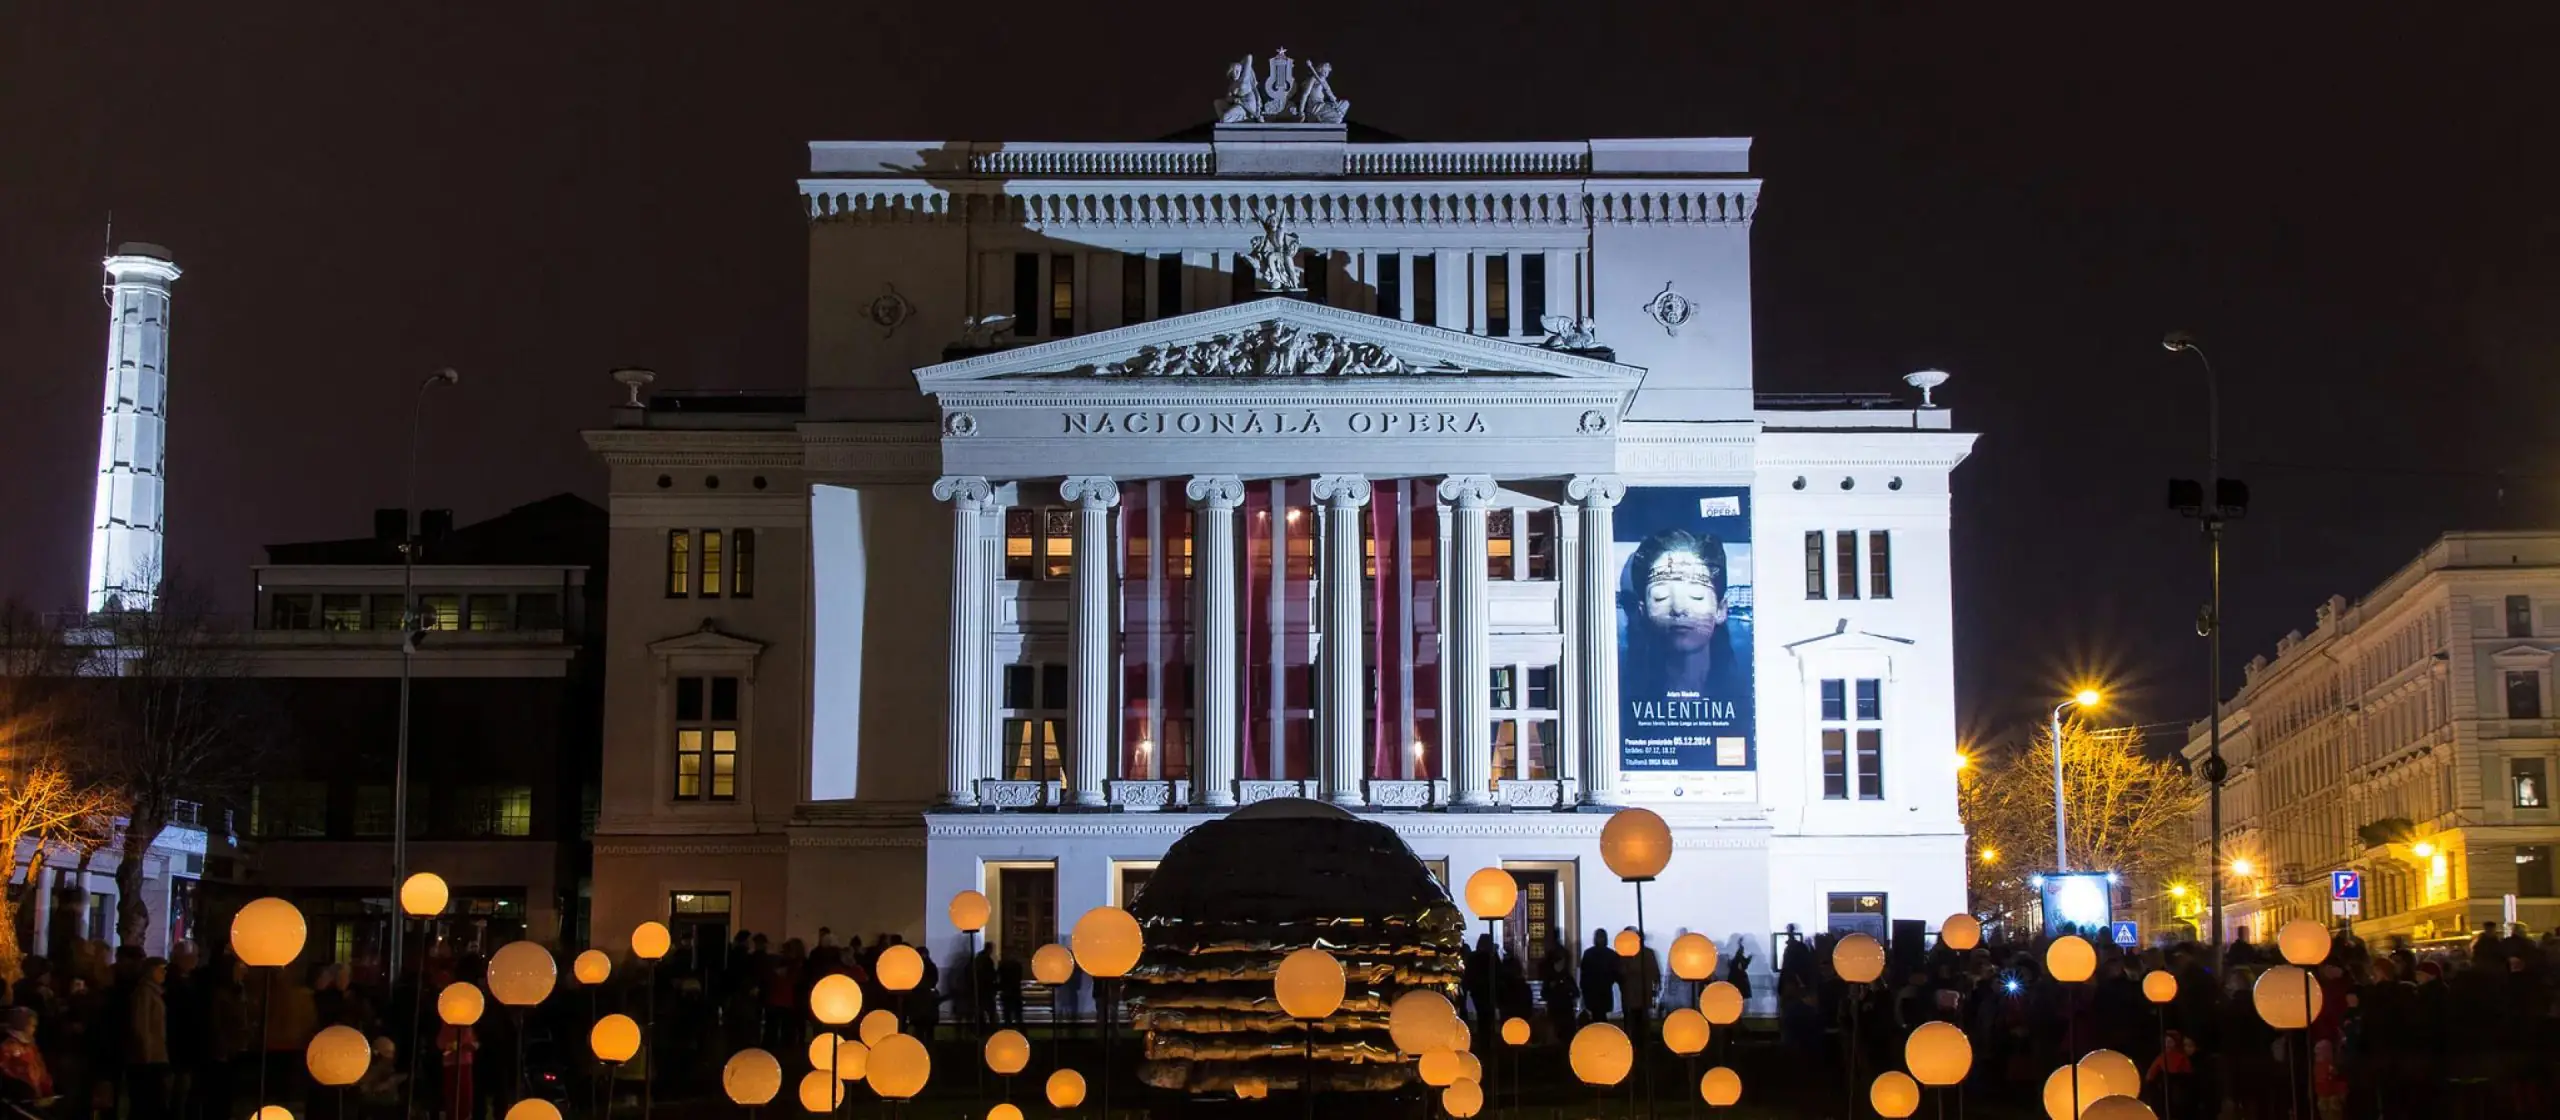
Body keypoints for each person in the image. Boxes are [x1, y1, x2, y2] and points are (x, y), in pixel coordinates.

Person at [128, 957, 172, 1120]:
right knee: (149, 1103)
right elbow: (141, 1024)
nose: (164, 973)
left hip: (156, 1054)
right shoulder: (145, 993)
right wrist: (145, 1053)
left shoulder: (155, 992)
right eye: (161, 970)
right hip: (149, 1058)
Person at [0, 1007, 52, 1104]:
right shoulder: (7, 1048)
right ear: (22, 1025)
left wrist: (46, 1091)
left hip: (36, 1099)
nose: (34, 1029)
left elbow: (40, 1069)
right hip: (20, 1102)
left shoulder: (31, 1047)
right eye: (32, 1025)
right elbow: (7, 1076)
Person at [1578, 929, 1620, 1023]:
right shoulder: (1611, 954)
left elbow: (1583, 973)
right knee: (1601, 1016)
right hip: (1603, 990)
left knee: (1596, 1016)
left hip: (1593, 991)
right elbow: (1616, 974)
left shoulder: (1588, 953)